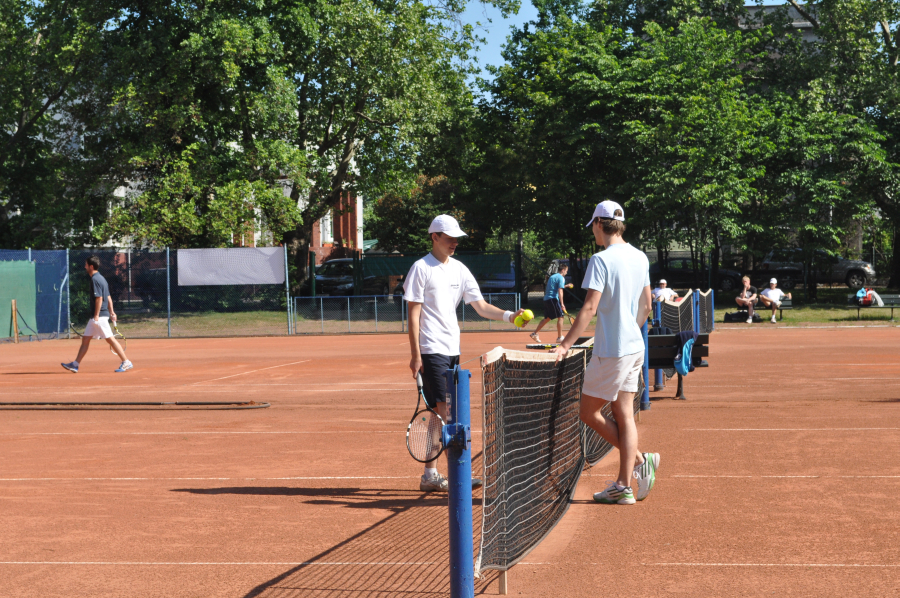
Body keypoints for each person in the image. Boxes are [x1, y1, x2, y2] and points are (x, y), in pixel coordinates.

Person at [405, 215, 525, 492]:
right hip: (431, 349)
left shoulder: (460, 269)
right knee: (447, 413)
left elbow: (480, 306)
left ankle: (430, 475)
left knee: (438, 414)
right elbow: (413, 314)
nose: (454, 243)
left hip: (452, 350)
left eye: (457, 239)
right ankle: (458, 474)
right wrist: (416, 355)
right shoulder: (421, 268)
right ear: (434, 236)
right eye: (449, 238)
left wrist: (509, 316)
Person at [553, 200, 658, 505]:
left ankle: (639, 462)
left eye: (594, 227)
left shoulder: (601, 260)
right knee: (624, 414)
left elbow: (589, 308)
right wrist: (630, 329)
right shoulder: (640, 257)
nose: (594, 232)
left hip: (613, 350)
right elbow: (647, 306)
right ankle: (624, 484)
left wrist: (564, 345)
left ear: (599, 224)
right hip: (634, 347)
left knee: (588, 412)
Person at [61, 256, 132, 373]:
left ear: (91, 266)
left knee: (111, 340)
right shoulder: (102, 278)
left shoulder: (95, 279)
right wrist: (112, 312)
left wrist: (96, 315)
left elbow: (99, 298)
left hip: (100, 317)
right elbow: (108, 297)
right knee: (85, 340)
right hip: (100, 315)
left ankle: (126, 361)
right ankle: (75, 364)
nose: (84, 266)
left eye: (86, 265)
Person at [531, 263, 573, 343]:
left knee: (547, 318)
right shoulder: (561, 278)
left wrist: (566, 286)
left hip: (546, 299)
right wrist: (562, 304)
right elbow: (560, 291)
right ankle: (560, 337)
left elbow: (554, 287)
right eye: (566, 271)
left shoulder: (552, 276)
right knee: (561, 317)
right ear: (563, 270)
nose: (566, 273)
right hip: (553, 299)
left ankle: (534, 333)